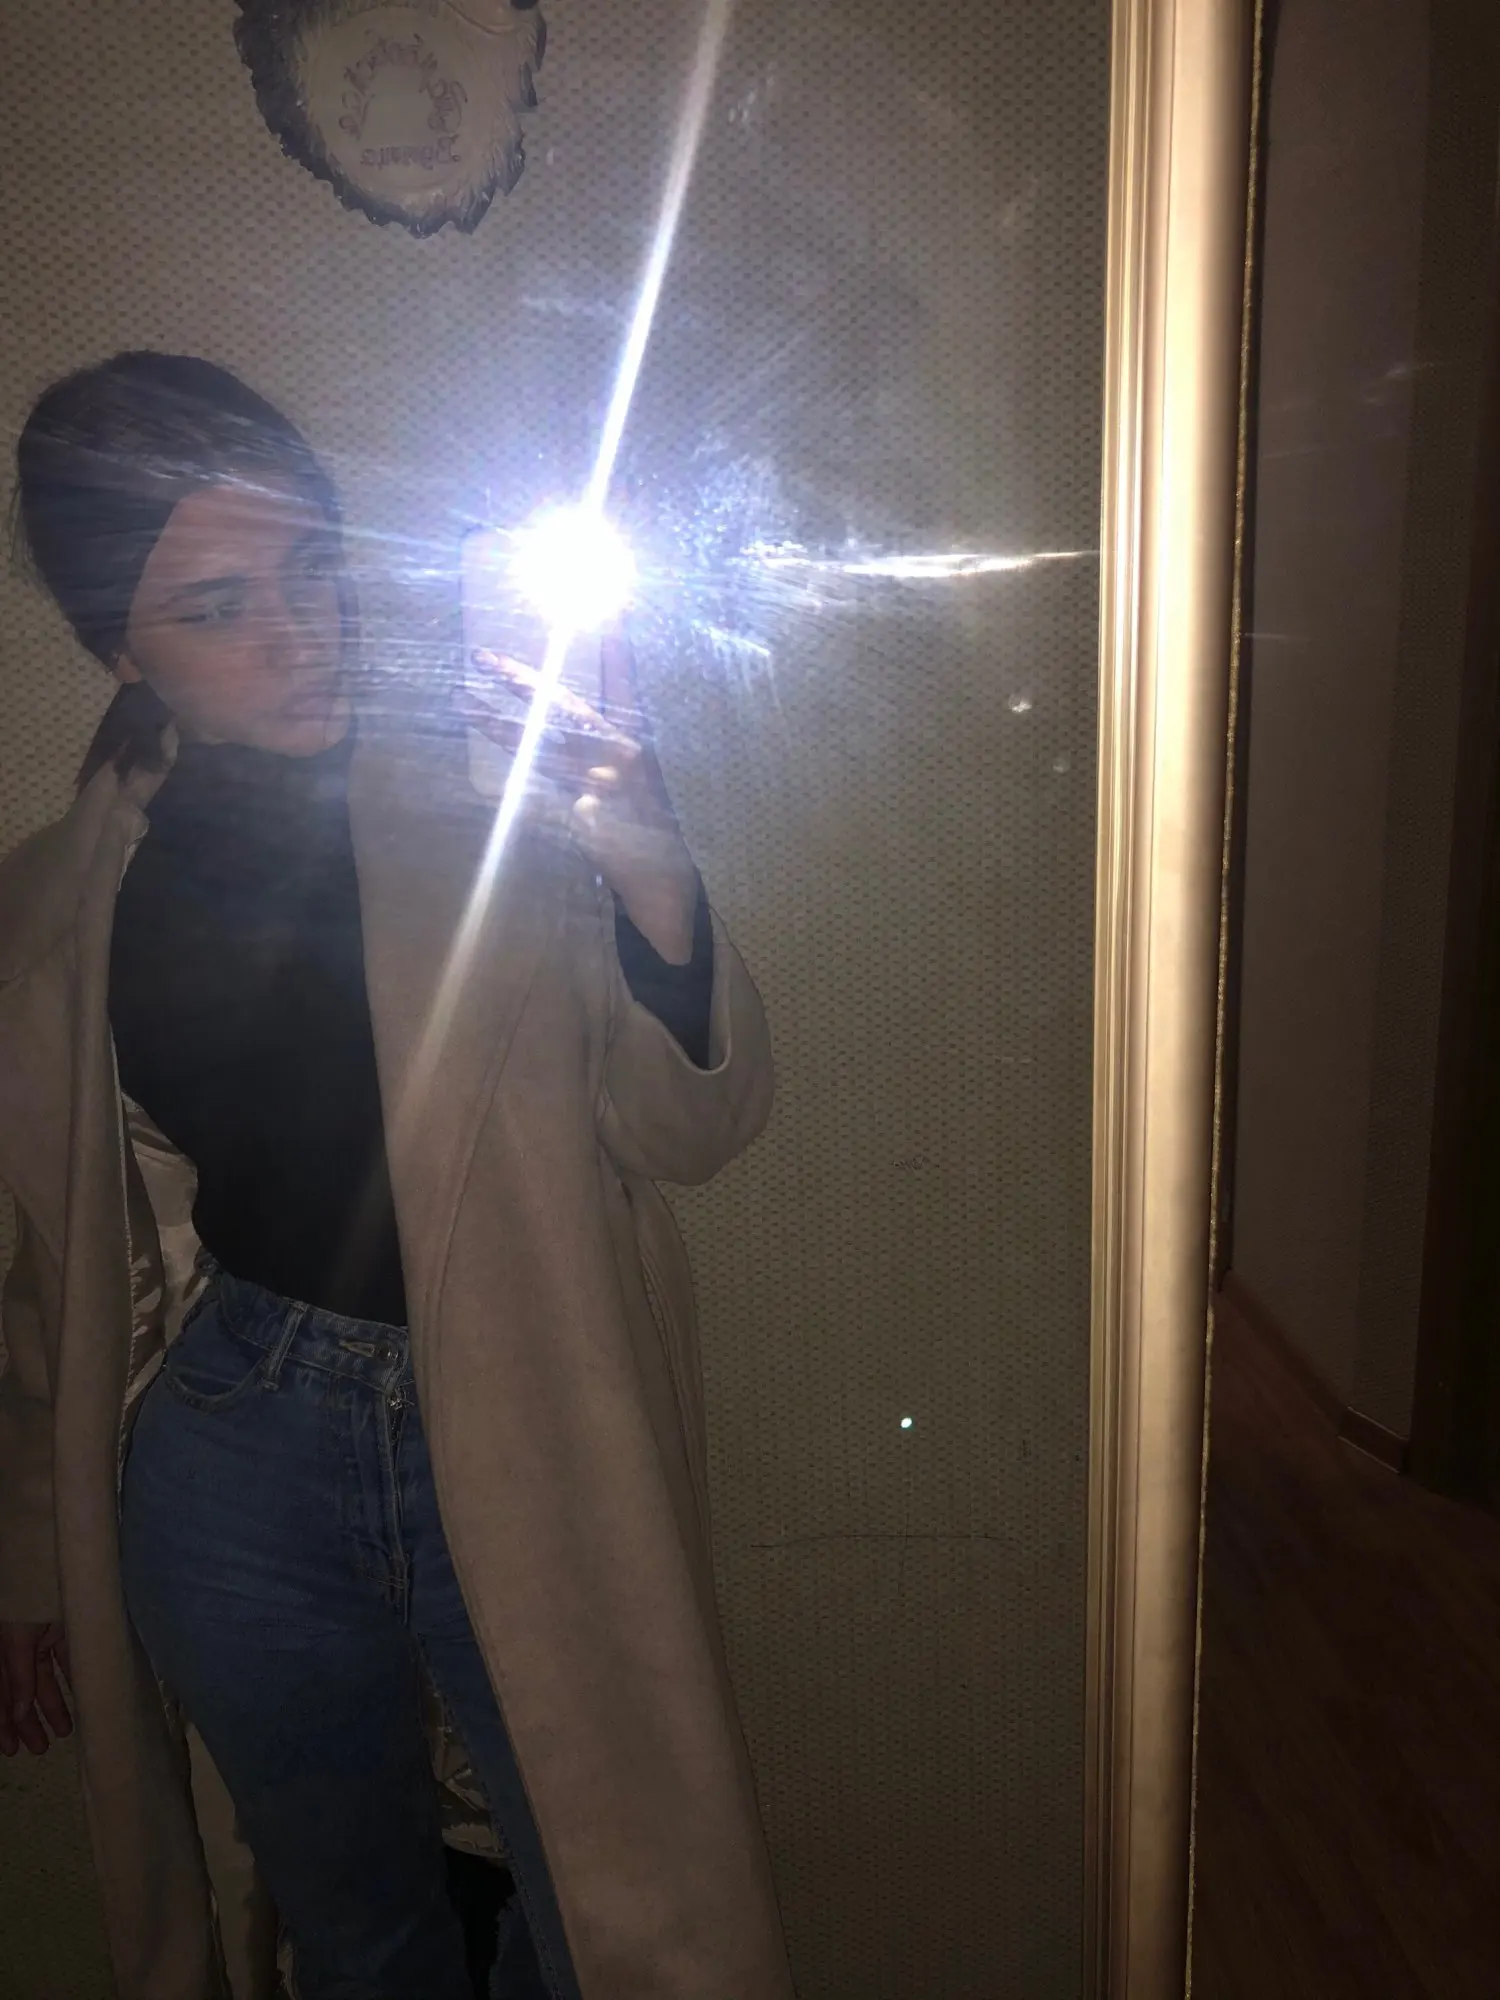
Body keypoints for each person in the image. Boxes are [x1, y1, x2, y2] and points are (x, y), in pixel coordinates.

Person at [0, 352, 794, 2000]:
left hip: (526, 1412)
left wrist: (645, 848)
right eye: (218, 606)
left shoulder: (491, 798)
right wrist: (27, 1548)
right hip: (239, 1453)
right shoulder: (58, 909)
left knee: (620, 1926)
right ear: (114, 645)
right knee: (354, 1936)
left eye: (314, 569)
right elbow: (54, 1265)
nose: (301, 634)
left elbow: (690, 1133)